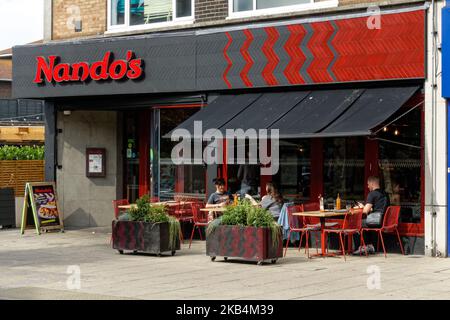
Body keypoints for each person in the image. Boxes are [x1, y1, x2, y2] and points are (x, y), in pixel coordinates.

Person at [353, 176, 390, 255]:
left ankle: (360, 247)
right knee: (365, 223)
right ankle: (370, 245)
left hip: (375, 221)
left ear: (372, 183)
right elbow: (378, 207)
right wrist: (368, 208)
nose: (368, 186)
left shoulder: (372, 194)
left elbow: (365, 211)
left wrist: (362, 207)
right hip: (384, 221)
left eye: (368, 184)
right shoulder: (385, 194)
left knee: (357, 224)